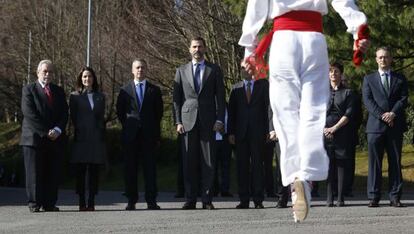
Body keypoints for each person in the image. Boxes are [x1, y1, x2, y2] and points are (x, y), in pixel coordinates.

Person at [239, 0, 369, 222]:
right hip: (313, 39)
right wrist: (358, 29)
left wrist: (250, 50)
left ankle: (295, 178)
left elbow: (256, 7)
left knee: (285, 111)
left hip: (283, 41)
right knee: (313, 109)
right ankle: (306, 177)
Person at [173, 36, 226, 210]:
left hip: (209, 121)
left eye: (200, 46)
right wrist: (178, 121)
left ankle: (207, 199)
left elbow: (220, 97)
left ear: (205, 49)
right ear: (189, 49)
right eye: (194, 46)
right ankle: (190, 199)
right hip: (187, 122)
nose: (197, 49)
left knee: (208, 161)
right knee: (189, 162)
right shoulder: (181, 71)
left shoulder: (215, 69)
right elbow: (176, 100)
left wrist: (220, 119)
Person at [20, 60, 68, 212]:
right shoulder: (29, 90)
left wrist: (58, 130)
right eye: (45, 71)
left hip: (54, 138)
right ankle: (34, 203)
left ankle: (49, 203)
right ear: (38, 72)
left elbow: (64, 113)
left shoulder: (59, 91)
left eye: (50, 72)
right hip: (34, 138)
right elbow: (29, 114)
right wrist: (46, 132)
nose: (48, 74)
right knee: (34, 173)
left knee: (51, 172)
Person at [363, 47, 408, 208]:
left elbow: (403, 99)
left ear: (391, 59)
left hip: (395, 126)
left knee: (395, 162)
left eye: (386, 57)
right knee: (374, 163)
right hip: (375, 127)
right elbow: (368, 101)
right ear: (376, 59)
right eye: (380, 57)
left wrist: (393, 114)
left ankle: (395, 196)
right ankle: (373, 196)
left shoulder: (400, 78)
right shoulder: (368, 79)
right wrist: (383, 115)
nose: (383, 60)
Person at [116, 59, 164, 210]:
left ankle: (151, 200)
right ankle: (131, 200)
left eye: (143, 67)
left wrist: (156, 134)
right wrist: (130, 126)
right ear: (132, 70)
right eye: (137, 68)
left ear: (146, 69)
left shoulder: (154, 90)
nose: (140, 70)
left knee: (150, 169)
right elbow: (120, 112)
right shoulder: (124, 90)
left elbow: (159, 113)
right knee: (130, 169)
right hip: (131, 136)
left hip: (149, 136)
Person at [228, 61, 269, 209]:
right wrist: (231, 132)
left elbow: (267, 109)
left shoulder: (263, 86)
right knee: (242, 167)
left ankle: (258, 199)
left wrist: (268, 130)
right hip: (240, 134)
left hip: (258, 133)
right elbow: (231, 113)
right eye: (244, 68)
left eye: (249, 68)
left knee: (258, 166)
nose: (247, 70)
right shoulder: (235, 89)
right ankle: (244, 199)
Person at [69, 67, 106, 211]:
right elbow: (73, 117)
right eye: (84, 76)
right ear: (80, 78)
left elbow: (101, 117)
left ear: (93, 79)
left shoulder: (100, 96)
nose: (87, 79)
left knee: (94, 171)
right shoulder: (75, 96)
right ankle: (81, 201)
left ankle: (91, 201)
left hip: (96, 138)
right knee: (81, 171)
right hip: (81, 138)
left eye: (89, 76)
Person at [323, 61, 356, 207]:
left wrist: (334, 128)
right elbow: (316, 112)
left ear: (341, 74)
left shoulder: (348, 92)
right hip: (324, 133)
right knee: (328, 165)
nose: (333, 74)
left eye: (336, 71)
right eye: (330, 71)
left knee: (341, 165)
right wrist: (324, 128)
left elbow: (348, 114)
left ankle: (340, 197)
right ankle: (329, 197)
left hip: (342, 132)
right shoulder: (322, 92)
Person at [213, 106, 233, 197]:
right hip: (213, 139)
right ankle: (214, 189)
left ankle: (225, 189)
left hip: (225, 139)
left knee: (226, 165)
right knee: (213, 166)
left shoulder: (227, 106)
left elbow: (230, 120)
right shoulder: (210, 104)